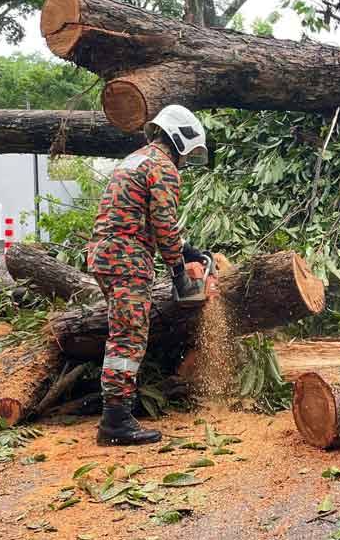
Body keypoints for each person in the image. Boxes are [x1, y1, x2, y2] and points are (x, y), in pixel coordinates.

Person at [88, 104, 210, 446]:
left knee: (121, 332)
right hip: (127, 258)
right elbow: (164, 223)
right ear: (182, 139)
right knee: (127, 340)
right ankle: (115, 422)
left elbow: (141, 215)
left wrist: (187, 250)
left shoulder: (136, 159)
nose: (187, 160)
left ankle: (117, 410)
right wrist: (178, 272)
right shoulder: (164, 167)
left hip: (104, 253)